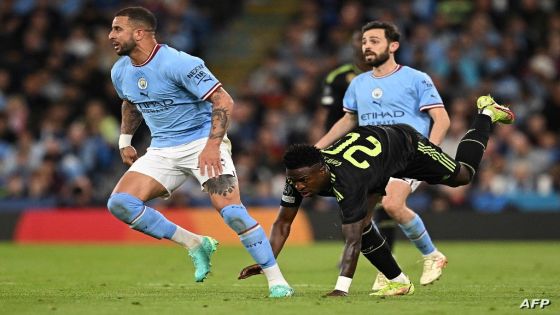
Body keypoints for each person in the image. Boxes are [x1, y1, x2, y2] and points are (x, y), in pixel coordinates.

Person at [240, 95, 514, 297]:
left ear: (321, 170)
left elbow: (351, 240)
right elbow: (282, 223)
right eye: (294, 181)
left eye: (303, 181)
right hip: (373, 164)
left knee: (463, 176)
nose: (298, 187)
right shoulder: (299, 177)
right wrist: (267, 262)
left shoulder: (347, 181)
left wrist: (341, 289)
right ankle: (398, 280)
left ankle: (486, 114)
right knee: (363, 222)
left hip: (405, 146)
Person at [106, 6, 293, 298]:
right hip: (162, 149)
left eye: (118, 29)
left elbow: (224, 100)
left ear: (139, 33)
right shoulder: (120, 70)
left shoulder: (180, 63)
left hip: (200, 143)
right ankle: (195, 243)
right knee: (120, 204)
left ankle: (276, 280)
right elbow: (130, 102)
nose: (110, 36)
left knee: (232, 213)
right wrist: (125, 140)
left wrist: (211, 146)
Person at [315, 20, 451, 289]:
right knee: (361, 221)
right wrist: (318, 148)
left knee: (392, 205)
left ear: (393, 46)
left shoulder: (416, 78)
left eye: (374, 41)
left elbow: (442, 118)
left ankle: (432, 254)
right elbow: (347, 121)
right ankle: (393, 276)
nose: (367, 46)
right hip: (374, 160)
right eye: (365, 42)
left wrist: (431, 153)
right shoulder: (358, 84)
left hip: (409, 154)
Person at [316, 29, 400, 269]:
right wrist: (324, 144)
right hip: (346, 145)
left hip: (383, 144)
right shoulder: (338, 77)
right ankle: (352, 247)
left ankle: (387, 253)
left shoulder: (391, 75)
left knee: (386, 201)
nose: (363, 46)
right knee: (352, 199)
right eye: (359, 41)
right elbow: (329, 116)